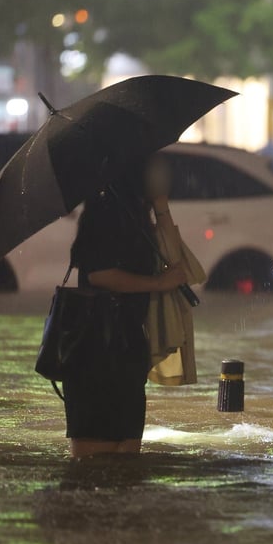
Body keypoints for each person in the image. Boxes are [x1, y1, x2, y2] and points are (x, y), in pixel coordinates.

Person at [63, 158, 189, 459]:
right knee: (93, 459)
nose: (164, 174)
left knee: (127, 456)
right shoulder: (104, 211)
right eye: (155, 168)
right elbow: (100, 274)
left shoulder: (139, 214)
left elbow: (177, 263)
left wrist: (161, 206)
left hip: (128, 349)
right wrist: (158, 283)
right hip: (94, 350)